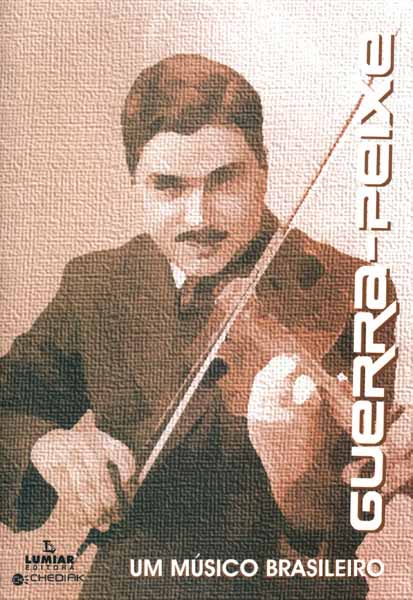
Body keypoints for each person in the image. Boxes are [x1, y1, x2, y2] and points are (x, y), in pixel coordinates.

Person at [0, 54, 399, 599]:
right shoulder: (96, 284)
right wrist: (46, 445)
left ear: (263, 171)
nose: (199, 217)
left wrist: (294, 476)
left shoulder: (348, 290)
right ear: (135, 182)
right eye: (167, 186)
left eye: (225, 180)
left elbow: (339, 531)